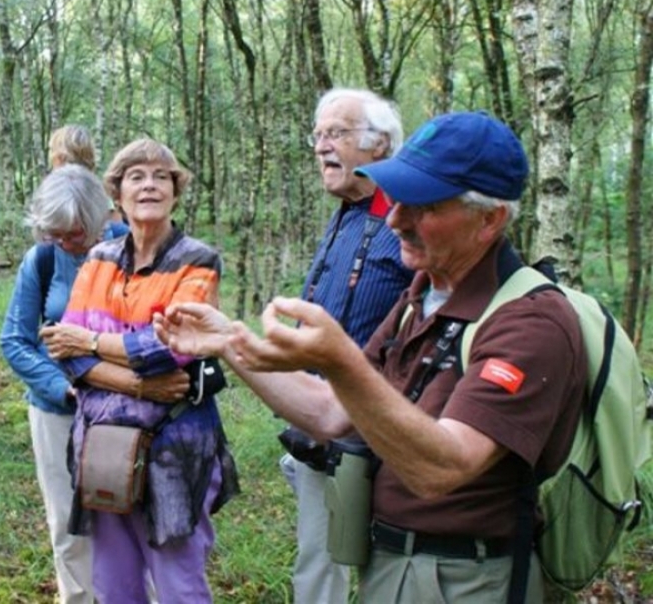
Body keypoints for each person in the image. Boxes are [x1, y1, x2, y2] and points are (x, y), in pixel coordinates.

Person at [157, 112, 587, 603]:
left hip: (470, 578)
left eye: (423, 207)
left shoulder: (531, 322)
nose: (396, 219)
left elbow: (442, 468)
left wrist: (343, 361)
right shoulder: (421, 296)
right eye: (397, 199)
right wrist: (231, 342)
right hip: (391, 564)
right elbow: (332, 413)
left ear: (489, 219)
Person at [40, 138, 239, 603]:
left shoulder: (197, 260)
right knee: (113, 583)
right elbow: (65, 352)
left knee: (178, 583)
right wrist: (134, 379)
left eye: (160, 176)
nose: (149, 184)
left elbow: (171, 348)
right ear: (118, 193)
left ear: (175, 189)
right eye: (136, 176)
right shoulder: (99, 260)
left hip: (174, 447)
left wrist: (92, 342)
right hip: (102, 446)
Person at [277, 88, 413, 603]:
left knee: (390, 567)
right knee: (318, 559)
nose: (320, 147)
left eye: (336, 133)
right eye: (318, 135)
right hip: (322, 427)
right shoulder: (345, 214)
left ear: (379, 144)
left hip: (389, 430)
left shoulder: (409, 216)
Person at [0, 164, 124, 604]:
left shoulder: (133, 247)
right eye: (56, 234)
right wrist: (63, 387)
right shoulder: (44, 258)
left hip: (124, 412)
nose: (67, 244)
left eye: (75, 234)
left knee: (126, 520)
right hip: (56, 412)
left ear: (98, 220)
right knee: (68, 523)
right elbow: (15, 340)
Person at [49, 124, 128, 236]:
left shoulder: (93, 191)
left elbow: (117, 233)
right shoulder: (96, 189)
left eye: (52, 151)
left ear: (60, 157)